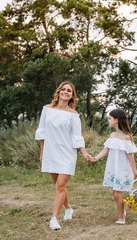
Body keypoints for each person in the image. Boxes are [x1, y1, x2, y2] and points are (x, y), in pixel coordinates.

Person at [35, 81, 92, 230]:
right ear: (59, 91)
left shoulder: (73, 115)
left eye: (69, 91)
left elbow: (77, 137)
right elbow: (42, 132)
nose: (66, 92)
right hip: (51, 152)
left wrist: (84, 153)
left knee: (60, 185)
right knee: (58, 185)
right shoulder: (47, 110)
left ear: (72, 96)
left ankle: (54, 219)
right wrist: (42, 152)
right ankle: (68, 208)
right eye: (64, 89)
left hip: (67, 153)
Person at [91, 108, 137, 225]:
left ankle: (121, 217)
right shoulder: (112, 135)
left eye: (110, 118)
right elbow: (106, 150)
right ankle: (122, 211)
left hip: (123, 169)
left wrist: (135, 172)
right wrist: (95, 158)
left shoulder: (127, 137)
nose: (108, 120)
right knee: (115, 193)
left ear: (117, 120)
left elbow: (131, 156)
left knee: (116, 193)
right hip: (113, 168)